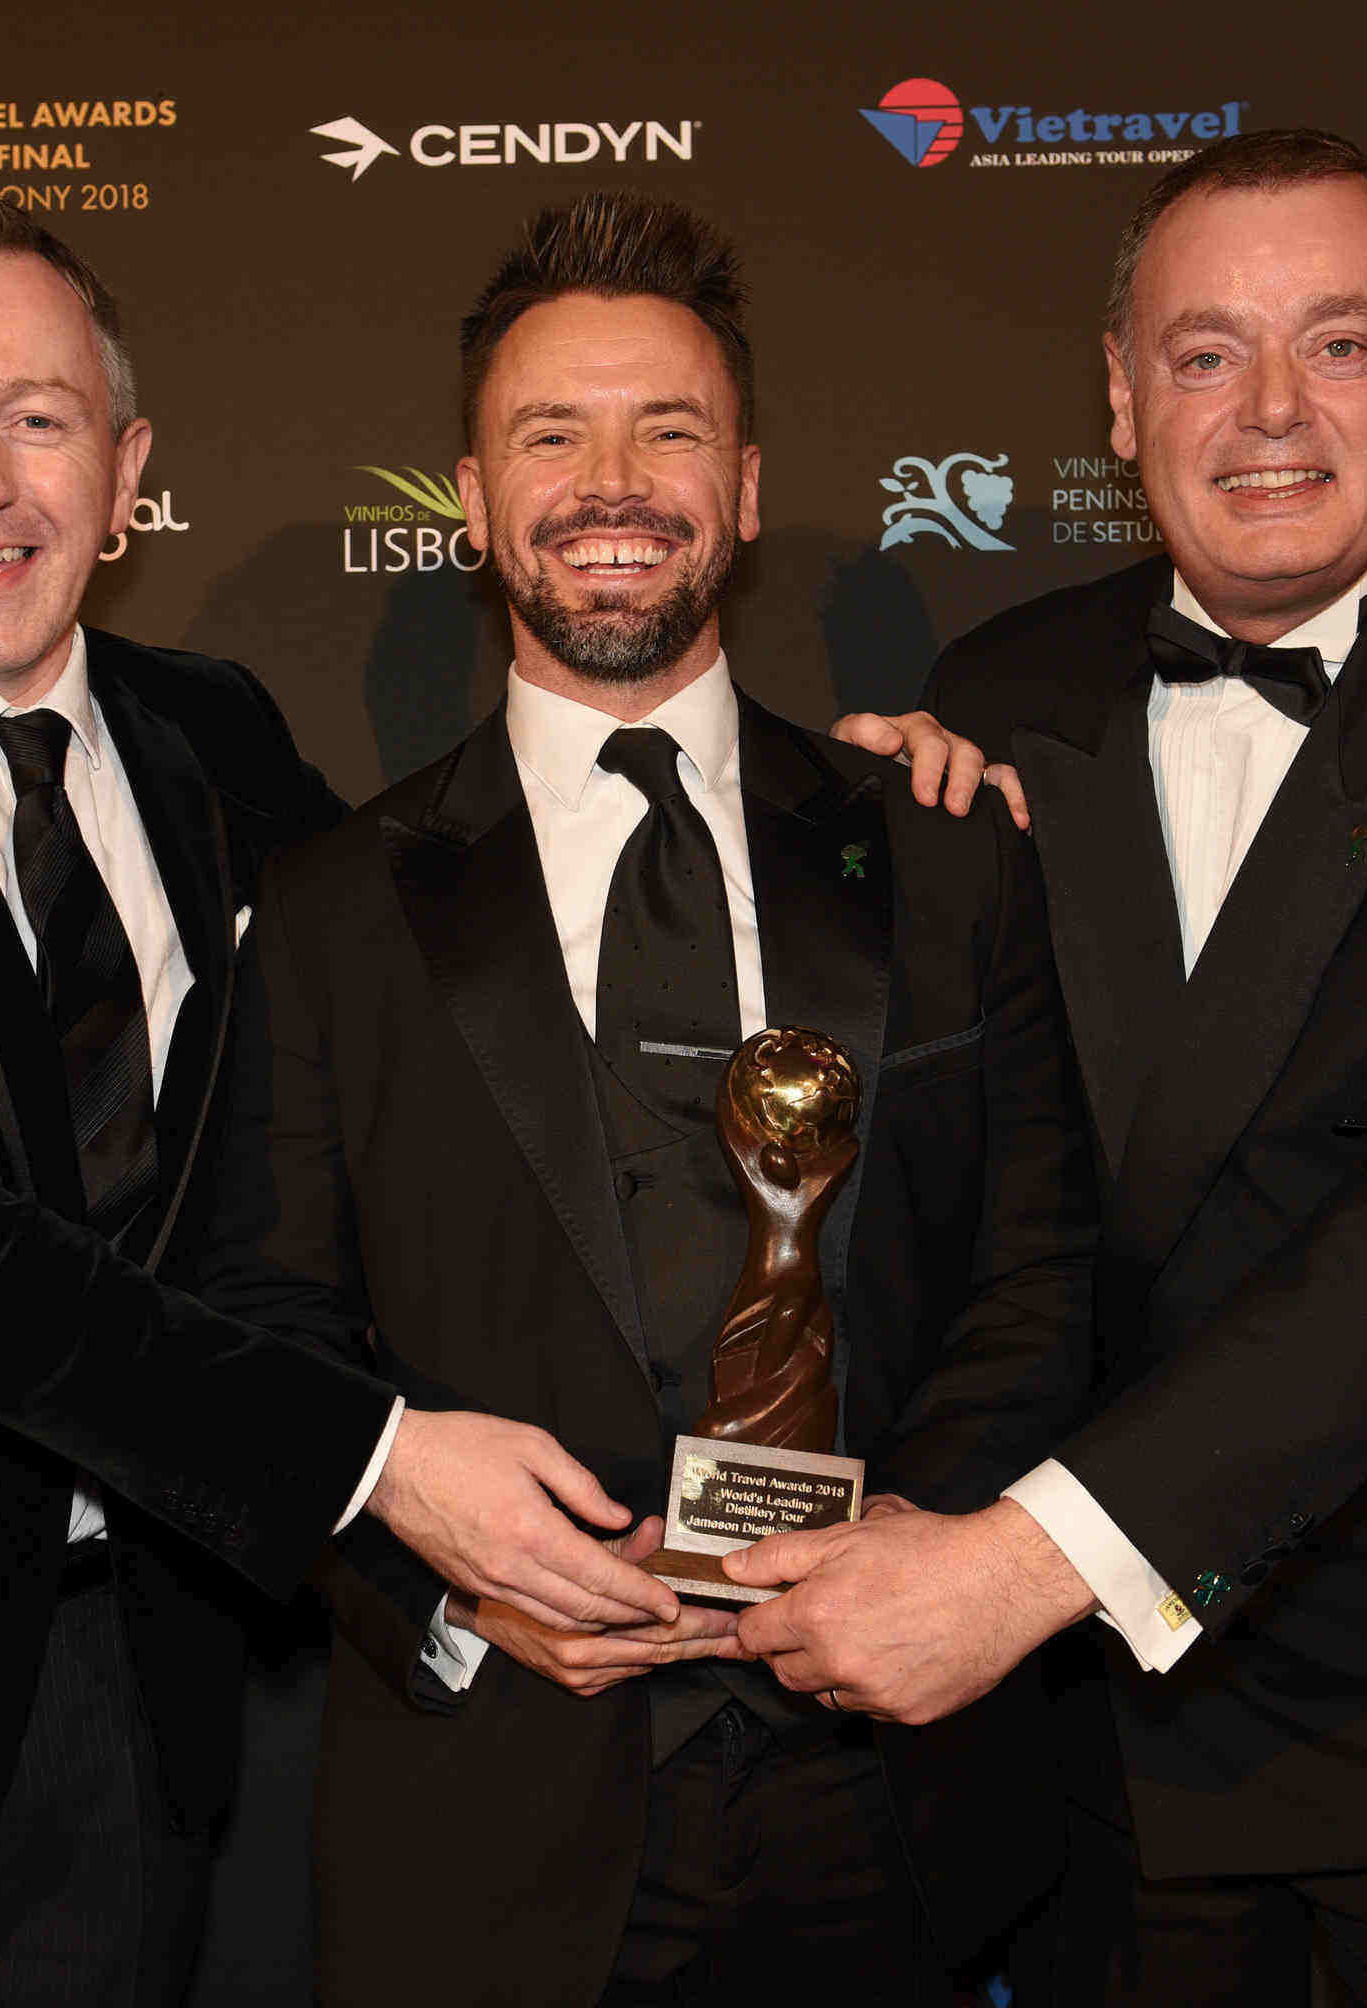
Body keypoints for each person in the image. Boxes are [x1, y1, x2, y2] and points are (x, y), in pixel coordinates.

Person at [0, 180, 974, 2007]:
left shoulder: (212, 740)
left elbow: (438, 996)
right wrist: (371, 1458)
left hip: (154, 1718)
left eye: (38, 418)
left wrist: (832, 799)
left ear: (128, 467)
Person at [728, 130, 1367, 2006]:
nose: (1270, 412)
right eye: (1205, 355)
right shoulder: (997, 700)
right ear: (1121, 397)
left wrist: (1019, 1567)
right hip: (1094, 1784)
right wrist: (834, 886)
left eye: (1335, 345)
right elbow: (949, 1199)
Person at [188, 191, 1097, 2008]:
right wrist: (442, 1593)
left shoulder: (941, 857)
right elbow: (260, 1325)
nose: (615, 482)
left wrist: (911, 1557)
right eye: (555, 434)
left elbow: (1039, 1271)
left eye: (668, 431)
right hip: (496, 1810)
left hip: (897, 1812)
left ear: (747, 487)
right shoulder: (334, 904)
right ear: (469, 498)